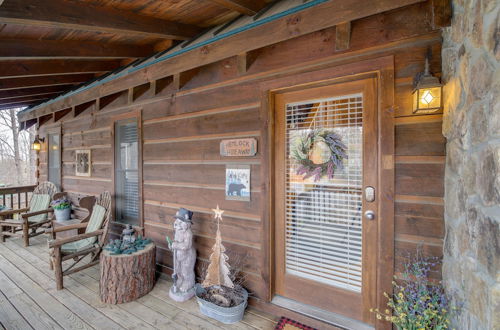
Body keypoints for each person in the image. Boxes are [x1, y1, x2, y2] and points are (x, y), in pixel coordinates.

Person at [167, 208, 196, 301]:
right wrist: (171, 244)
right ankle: (180, 280)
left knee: (186, 271)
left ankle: (188, 283)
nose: (176, 223)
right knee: (178, 270)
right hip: (178, 254)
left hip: (187, 255)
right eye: (177, 220)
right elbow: (176, 241)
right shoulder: (177, 231)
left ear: (186, 223)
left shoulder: (188, 233)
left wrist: (176, 245)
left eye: (180, 221)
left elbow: (186, 245)